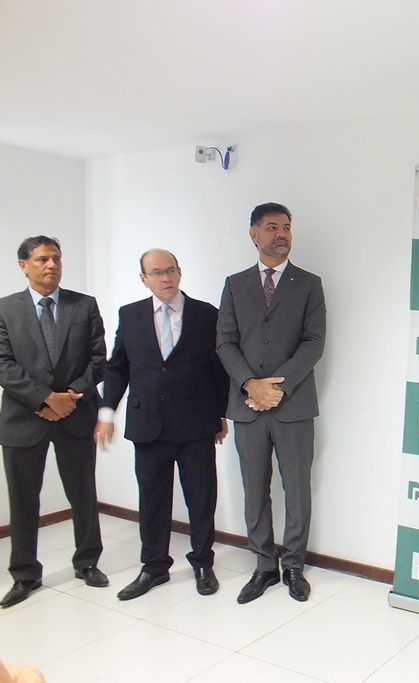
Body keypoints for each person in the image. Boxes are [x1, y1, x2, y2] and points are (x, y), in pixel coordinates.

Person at [95, 249, 229, 600]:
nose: (165, 278)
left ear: (180, 272)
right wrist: (107, 413)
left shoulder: (205, 314)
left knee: (201, 497)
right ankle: (154, 566)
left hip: (197, 423)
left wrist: (220, 415)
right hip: (148, 424)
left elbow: (218, 367)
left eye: (170, 270)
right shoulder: (131, 314)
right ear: (144, 279)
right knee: (152, 498)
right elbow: (118, 367)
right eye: (156, 273)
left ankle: (203, 562)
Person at [216, 202, 326, 604]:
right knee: (254, 489)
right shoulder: (234, 284)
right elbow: (225, 342)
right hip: (247, 408)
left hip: (293, 405)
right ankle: (264, 565)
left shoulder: (308, 283)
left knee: (296, 489)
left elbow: (314, 342)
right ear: (254, 234)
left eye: (286, 227)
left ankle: (293, 565)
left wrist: (275, 388)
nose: (281, 233)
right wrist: (250, 385)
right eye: (272, 227)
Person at [0, 236, 108, 608]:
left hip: (75, 415)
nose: (52, 265)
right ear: (23, 265)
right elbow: (3, 364)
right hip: (23, 418)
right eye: (43, 259)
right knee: (23, 499)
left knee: (83, 493)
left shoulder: (84, 305)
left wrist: (69, 396)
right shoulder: (5, 309)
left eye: (57, 259)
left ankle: (87, 562)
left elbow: (98, 359)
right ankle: (25, 574)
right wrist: (46, 399)